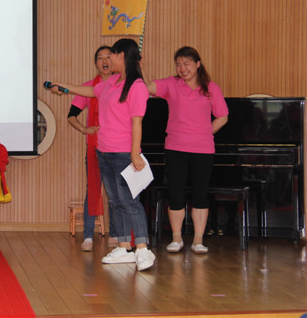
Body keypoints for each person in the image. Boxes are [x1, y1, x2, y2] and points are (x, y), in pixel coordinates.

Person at [50, 39, 155, 271]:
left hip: (124, 153)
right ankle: (124, 247)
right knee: (115, 201)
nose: (109, 59)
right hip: (104, 151)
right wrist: (65, 86)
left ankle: (142, 248)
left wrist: (135, 153)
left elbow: (137, 122)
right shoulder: (112, 82)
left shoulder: (136, 85)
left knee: (129, 201)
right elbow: (91, 91)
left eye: (112, 55)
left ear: (122, 56)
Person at [145, 46, 228, 254]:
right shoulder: (171, 84)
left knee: (200, 194)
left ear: (198, 64)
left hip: (203, 149)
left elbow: (223, 116)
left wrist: (205, 131)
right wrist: (140, 69)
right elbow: (147, 88)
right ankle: (177, 238)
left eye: (187, 64)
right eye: (179, 64)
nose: (183, 68)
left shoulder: (211, 88)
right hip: (175, 147)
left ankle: (198, 240)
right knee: (176, 193)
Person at [67, 46, 117, 251]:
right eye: (100, 58)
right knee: (93, 189)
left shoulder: (121, 85)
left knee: (115, 191)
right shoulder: (89, 87)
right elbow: (71, 116)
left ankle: (116, 233)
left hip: (116, 146)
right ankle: (88, 235)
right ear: (95, 63)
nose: (104, 61)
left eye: (108, 57)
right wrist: (84, 129)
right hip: (95, 146)